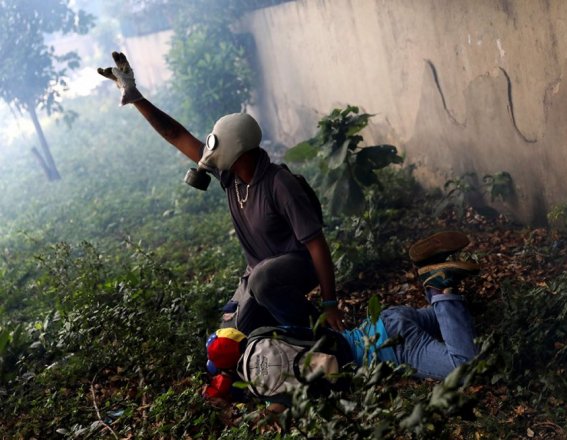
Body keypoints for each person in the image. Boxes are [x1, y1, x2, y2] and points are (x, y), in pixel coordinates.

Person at [97, 52, 344, 333]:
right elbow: (176, 135)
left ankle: (323, 336)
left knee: (264, 282)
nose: (209, 154)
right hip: (259, 275)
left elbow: (317, 244)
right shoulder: (232, 176)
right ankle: (283, 325)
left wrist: (330, 304)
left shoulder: (280, 184)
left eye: (217, 147)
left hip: (298, 267)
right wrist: (135, 97)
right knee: (229, 336)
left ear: (239, 149)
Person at [203, 231, 480, 413]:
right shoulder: (264, 334)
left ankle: (439, 285)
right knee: (461, 321)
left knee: (463, 365)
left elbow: (275, 415)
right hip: (382, 321)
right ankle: (436, 271)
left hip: (395, 347)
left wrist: (237, 410)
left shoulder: (266, 386)